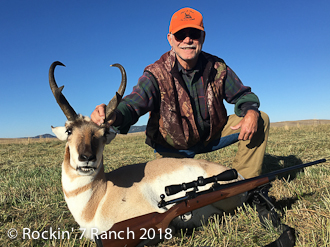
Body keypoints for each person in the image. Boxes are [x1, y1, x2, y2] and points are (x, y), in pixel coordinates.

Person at [91, 7, 270, 179]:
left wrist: (251, 111)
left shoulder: (217, 67)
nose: (187, 40)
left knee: (259, 118)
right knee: (177, 198)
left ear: (203, 37)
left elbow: (243, 95)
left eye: (194, 34)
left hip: (212, 136)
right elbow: (133, 104)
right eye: (180, 35)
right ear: (170, 39)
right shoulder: (156, 73)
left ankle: (246, 184)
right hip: (172, 149)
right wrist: (115, 114)